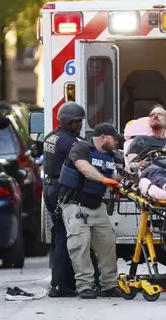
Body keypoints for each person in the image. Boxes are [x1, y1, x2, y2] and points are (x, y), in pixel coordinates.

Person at [57, 123, 122, 299]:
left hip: (97, 206)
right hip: (75, 205)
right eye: (114, 139)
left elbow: (117, 176)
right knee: (80, 246)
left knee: (108, 244)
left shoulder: (112, 155)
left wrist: (129, 171)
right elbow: (84, 168)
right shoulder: (81, 148)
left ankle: (109, 285)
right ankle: (84, 286)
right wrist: (104, 180)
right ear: (103, 138)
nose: (116, 142)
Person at [42, 102, 83, 297]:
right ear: (67, 122)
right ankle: (62, 285)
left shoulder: (51, 137)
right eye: (77, 122)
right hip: (61, 190)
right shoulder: (70, 142)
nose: (80, 125)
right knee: (66, 238)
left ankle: (57, 283)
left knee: (59, 235)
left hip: (49, 188)